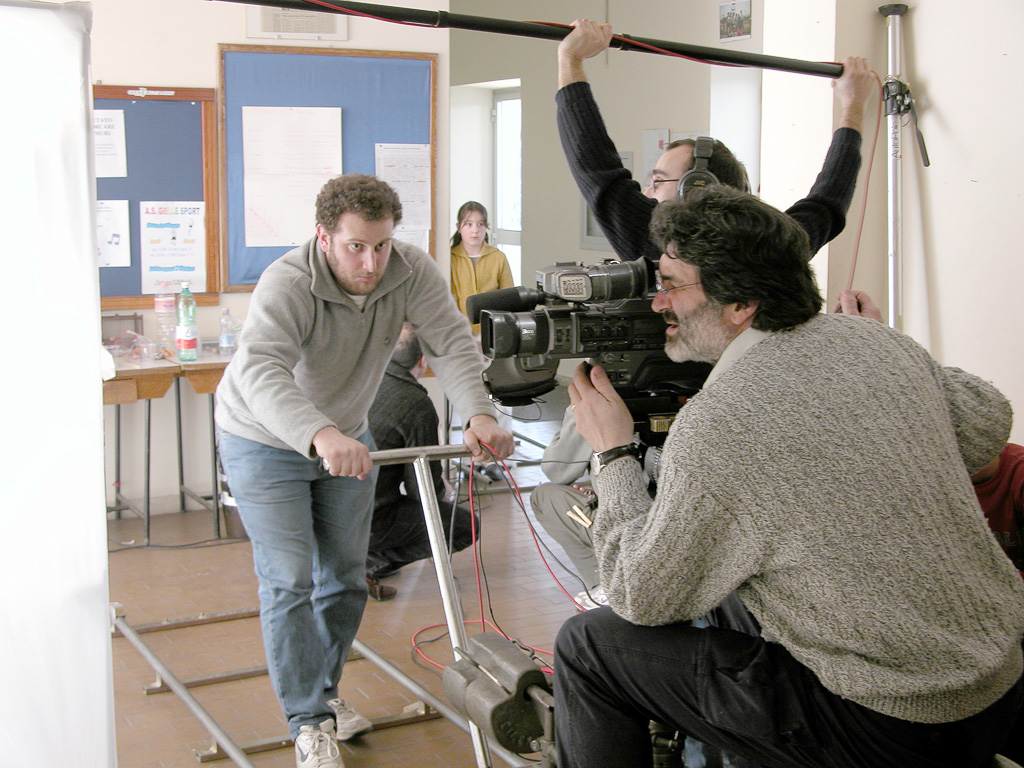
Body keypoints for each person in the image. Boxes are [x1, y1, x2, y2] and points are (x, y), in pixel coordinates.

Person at [557, 186, 1024, 768]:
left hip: (888, 728)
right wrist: (885, 375)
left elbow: (637, 594)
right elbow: (987, 423)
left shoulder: (718, 424)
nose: (657, 304)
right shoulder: (877, 343)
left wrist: (613, 454)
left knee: (588, 646)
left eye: (671, 285)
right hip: (998, 683)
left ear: (740, 304)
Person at [215, 174, 513, 768]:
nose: (372, 262)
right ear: (324, 237)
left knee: (346, 577)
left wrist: (478, 412)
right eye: (357, 246)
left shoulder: (408, 268)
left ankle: (320, 696)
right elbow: (261, 371)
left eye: (381, 245)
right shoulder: (288, 282)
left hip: (346, 436)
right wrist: (319, 432)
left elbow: (451, 342)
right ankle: (308, 722)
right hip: (264, 440)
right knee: (290, 577)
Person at [556, 18, 875, 263]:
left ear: (696, 187)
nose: (647, 192)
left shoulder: (661, 243)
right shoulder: (775, 245)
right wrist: (854, 105)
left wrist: (570, 60)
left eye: (658, 181)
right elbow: (829, 200)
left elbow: (597, 168)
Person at [365, 324, 477, 598]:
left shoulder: (357, 379)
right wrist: (442, 491)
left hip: (322, 508)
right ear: (424, 360)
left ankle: (360, 558)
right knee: (465, 526)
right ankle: (368, 563)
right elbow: (421, 489)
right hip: (369, 520)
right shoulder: (415, 404)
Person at [450, 200, 514, 332]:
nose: (475, 230)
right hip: (461, 333)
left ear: (486, 227)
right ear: (459, 227)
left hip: (494, 331)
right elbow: (450, 301)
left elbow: (509, 298)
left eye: (480, 224)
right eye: (468, 224)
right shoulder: (450, 258)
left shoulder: (498, 257)